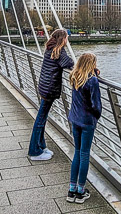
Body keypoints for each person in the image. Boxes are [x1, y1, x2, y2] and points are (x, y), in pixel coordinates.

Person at [28, 29, 73, 161]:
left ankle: (41, 146)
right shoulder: (58, 51)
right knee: (40, 119)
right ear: (62, 39)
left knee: (42, 117)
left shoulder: (50, 48)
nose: (67, 40)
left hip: (44, 86)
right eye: (66, 38)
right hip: (49, 89)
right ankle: (34, 152)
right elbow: (69, 63)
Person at [66, 53, 101, 204]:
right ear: (92, 64)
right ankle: (81, 192)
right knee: (85, 154)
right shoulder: (92, 81)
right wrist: (96, 116)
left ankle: (71, 190)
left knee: (77, 152)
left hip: (75, 119)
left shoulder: (74, 76)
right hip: (87, 121)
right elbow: (96, 104)